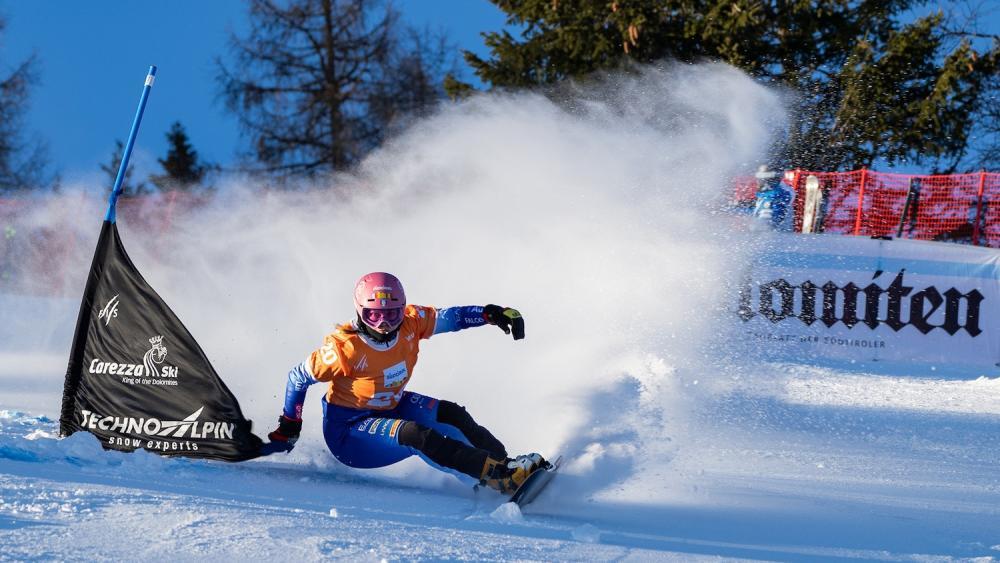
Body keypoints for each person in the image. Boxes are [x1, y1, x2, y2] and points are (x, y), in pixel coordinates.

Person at [262, 272, 547, 494]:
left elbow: (452, 317)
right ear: (359, 310)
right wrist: (290, 425)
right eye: (373, 315)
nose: (383, 324)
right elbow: (297, 377)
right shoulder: (343, 348)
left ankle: (505, 466)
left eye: (391, 314)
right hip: (350, 433)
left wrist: (490, 313)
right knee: (415, 435)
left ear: (403, 309)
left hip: (392, 406)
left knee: (451, 414)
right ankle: (495, 477)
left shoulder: (412, 321)